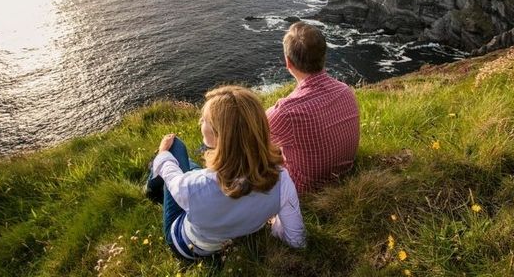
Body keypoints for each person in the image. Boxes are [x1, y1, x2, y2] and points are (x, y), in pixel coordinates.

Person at [145, 85, 305, 260]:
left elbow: (173, 179)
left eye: (205, 120)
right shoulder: (281, 178)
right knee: (189, 164)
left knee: (175, 148)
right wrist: (275, 226)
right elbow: (296, 239)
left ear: (222, 135)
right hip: (235, 232)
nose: (200, 122)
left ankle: (151, 189)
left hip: (188, 247)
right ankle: (157, 175)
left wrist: (163, 155)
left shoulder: (197, 184)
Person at [267, 21, 360, 194]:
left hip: (306, 190)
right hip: (345, 174)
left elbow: (253, 135)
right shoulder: (345, 90)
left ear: (288, 62)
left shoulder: (286, 112)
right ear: (323, 57)